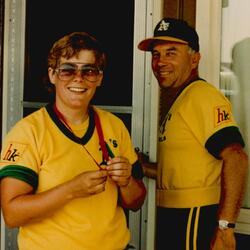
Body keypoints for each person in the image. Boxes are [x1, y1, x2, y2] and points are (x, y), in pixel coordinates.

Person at [0, 31, 146, 250]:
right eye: (68, 70)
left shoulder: (114, 126)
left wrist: (126, 182)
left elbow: (136, 202)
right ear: (52, 75)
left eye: (89, 70)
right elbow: (12, 214)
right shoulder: (28, 132)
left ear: (100, 78)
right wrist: (71, 190)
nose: (78, 78)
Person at [137, 17, 248, 250]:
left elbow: (236, 157)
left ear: (194, 58)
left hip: (195, 217)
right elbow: (186, 168)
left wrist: (225, 228)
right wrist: (141, 167)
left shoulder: (201, 96)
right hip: (177, 216)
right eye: (156, 55)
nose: (160, 62)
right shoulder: (183, 98)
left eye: (171, 53)